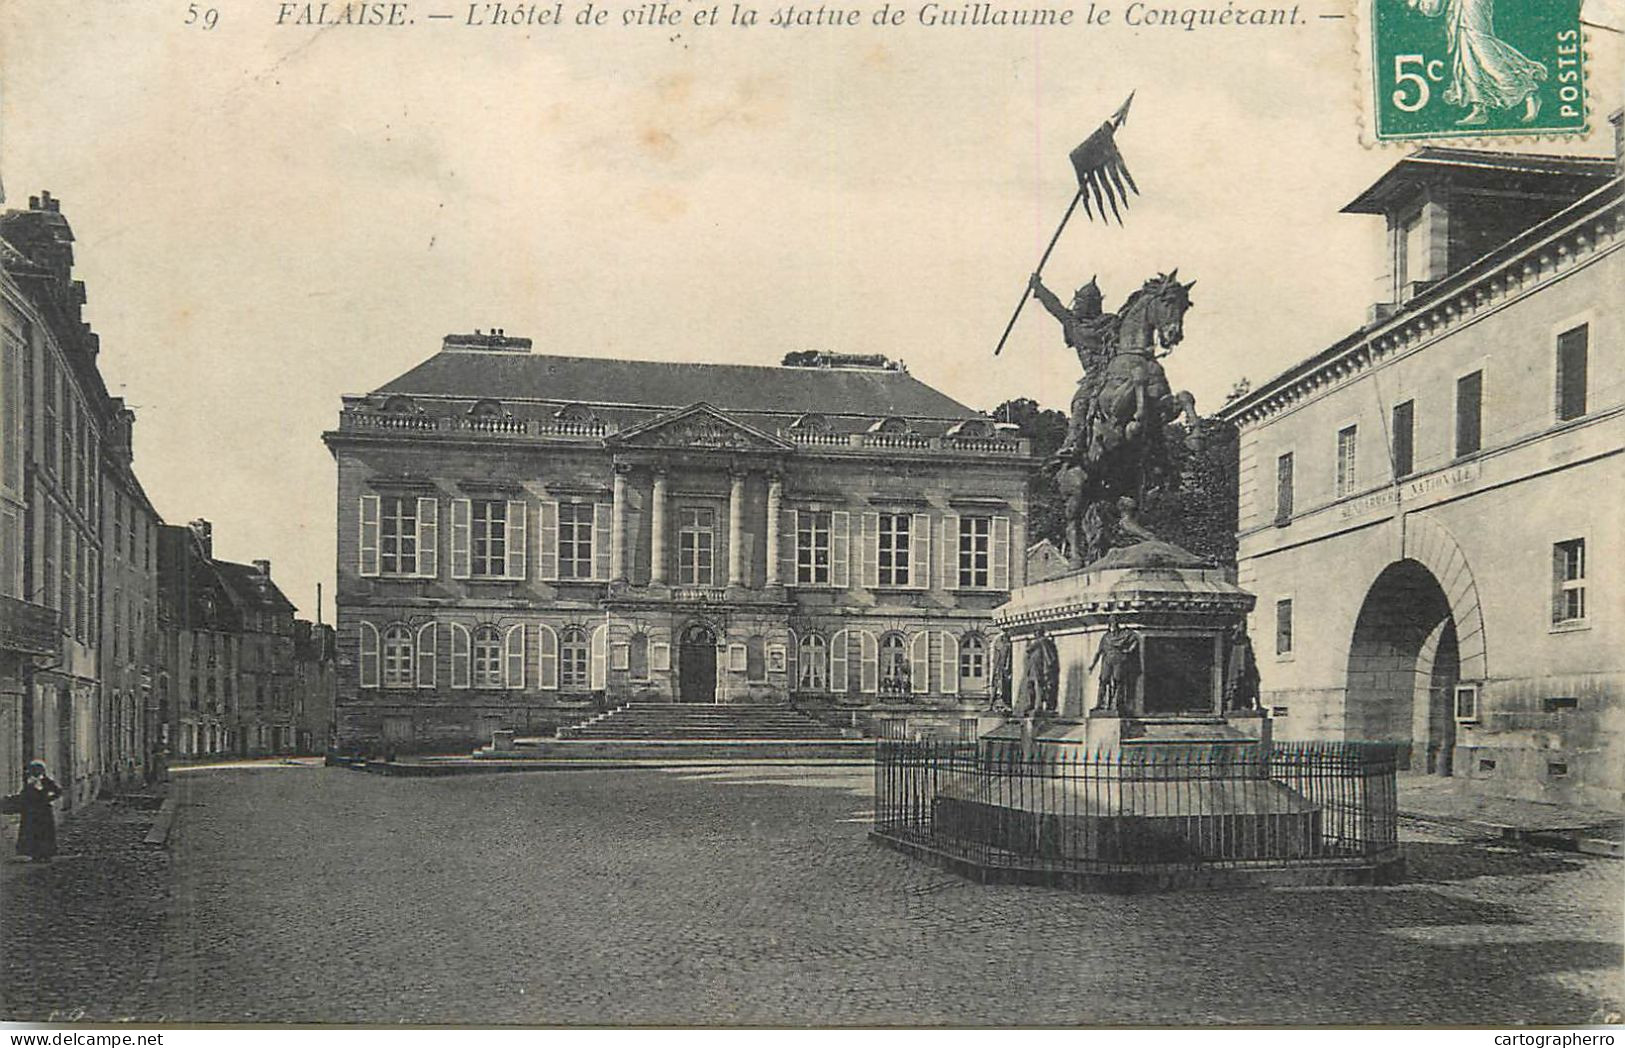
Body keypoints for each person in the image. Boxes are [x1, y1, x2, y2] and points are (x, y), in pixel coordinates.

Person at [1411, 0, 1547, 126]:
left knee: (1485, 54)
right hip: (1459, 9)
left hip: (1473, 5)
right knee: (1466, 57)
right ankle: (1479, 108)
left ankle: (1529, 92)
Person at [15, 760, 64, 863]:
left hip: (44, 811)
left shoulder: (46, 781)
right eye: (33, 770)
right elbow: (24, 795)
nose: (35, 772)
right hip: (31, 812)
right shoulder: (28, 782)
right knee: (32, 832)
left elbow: (58, 791)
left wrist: (48, 799)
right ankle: (34, 854)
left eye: (38, 770)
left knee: (45, 833)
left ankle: (46, 854)